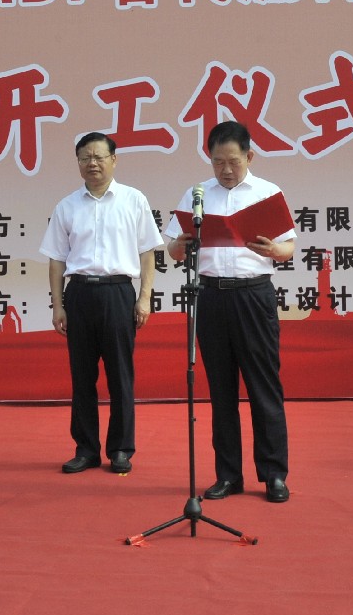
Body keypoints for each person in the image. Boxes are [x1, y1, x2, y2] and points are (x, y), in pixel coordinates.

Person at [164, 121, 297, 503]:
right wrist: (181, 244)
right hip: (210, 297)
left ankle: (274, 475)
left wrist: (274, 250)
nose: (225, 169)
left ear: (249, 156)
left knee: (263, 388)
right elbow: (172, 250)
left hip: (253, 296)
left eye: (233, 161)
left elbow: (288, 248)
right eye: (218, 162)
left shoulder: (267, 193)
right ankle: (228, 475)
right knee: (221, 391)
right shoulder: (197, 195)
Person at [41, 132, 161, 475]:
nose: (92, 163)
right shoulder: (67, 206)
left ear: (114, 160)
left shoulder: (133, 200)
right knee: (82, 377)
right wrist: (58, 305)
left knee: (120, 375)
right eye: (85, 158)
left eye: (99, 157)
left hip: (118, 293)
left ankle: (121, 449)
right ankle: (86, 449)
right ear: (78, 162)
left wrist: (144, 298)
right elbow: (56, 260)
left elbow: (147, 253)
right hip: (79, 294)